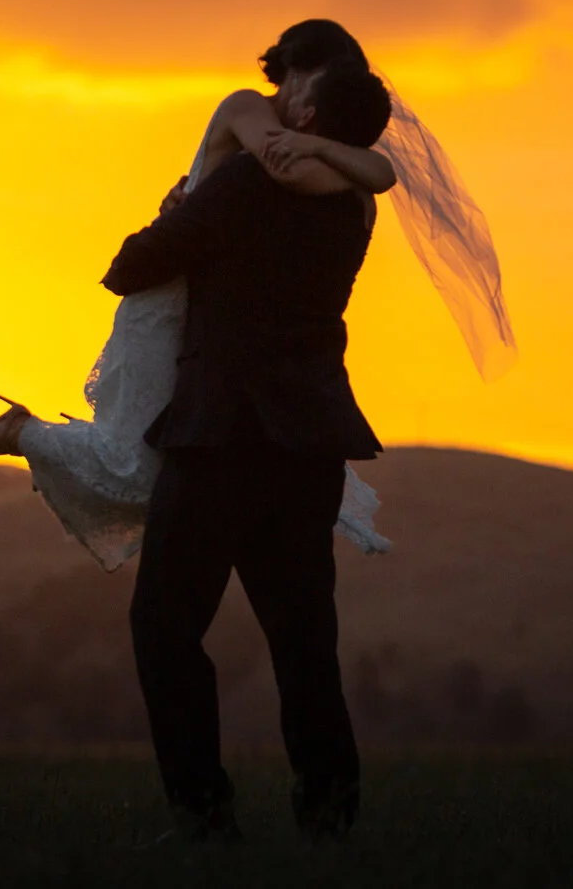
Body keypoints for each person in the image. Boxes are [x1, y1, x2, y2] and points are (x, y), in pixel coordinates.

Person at [0, 20, 402, 570]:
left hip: (206, 301)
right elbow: (287, 167)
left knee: (143, 466)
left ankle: (24, 435)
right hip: (167, 290)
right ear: (296, 73)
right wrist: (338, 161)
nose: (309, 102)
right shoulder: (249, 108)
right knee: (132, 460)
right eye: (319, 80)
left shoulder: (316, 154)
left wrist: (333, 154)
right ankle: (19, 434)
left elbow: (375, 172)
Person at [101, 55, 395, 842]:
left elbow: (128, 270)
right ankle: (330, 815)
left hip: (220, 438)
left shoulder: (238, 185)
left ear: (308, 117)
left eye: (298, 87)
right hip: (310, 446)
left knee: (164, 626)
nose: (281, 93)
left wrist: (175, 207)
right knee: (305, 641)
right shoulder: (357, 210)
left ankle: (203, 813)